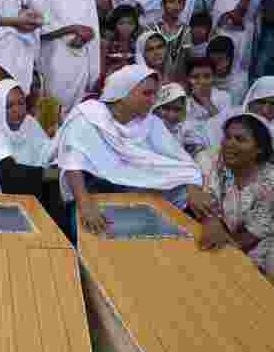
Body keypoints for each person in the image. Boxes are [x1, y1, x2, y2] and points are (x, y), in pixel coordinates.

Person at [54, 64, 206, 238]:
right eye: (146, 93)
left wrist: (193, 189)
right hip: (90, 196)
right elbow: (73, 163)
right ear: (123, 92)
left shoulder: (151, 123)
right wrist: (85, 205)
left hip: (136, 199)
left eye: (154, 94)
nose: (153, 100)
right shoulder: (89, 116)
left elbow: (181, 163)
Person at [198, 112, 274, 270]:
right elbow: (203, 201)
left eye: (240, 139)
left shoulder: (273, 185)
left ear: (259, 149)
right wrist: (212, 221)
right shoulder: (213, 160)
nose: (229, 144)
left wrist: (222, 253)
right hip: (213, 234)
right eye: (227, 137)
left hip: (252, 253)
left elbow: (252, 237)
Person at [207, 76, 274, 197]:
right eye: (261, 102)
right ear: (251, 99)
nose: (265, 109)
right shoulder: (231, 114)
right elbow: (205, 137)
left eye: (273, 104)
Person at [39, 0, 102, 116]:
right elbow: (42, 30)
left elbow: (92, 30)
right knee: (53, 116)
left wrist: (85, 35)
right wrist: (72, 29)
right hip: (57, 64)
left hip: (81, 66)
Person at [0, 77, 54, 196]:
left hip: (35, 196)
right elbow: (10, 177)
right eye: (9, 106)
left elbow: (48, 153)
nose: (17, 110)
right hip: (3, 202)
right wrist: (51, 174)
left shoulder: (30, 123)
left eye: (21, 103)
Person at [143, 0, 191, 78]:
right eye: (171, 1)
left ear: (184, 6)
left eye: (180, 2)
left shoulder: (185, 30)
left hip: (176, 81)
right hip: (152, 78)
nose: (176, 6)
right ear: (162, 4)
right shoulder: (150, 28)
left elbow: (185, 60)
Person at [153, 81, 208, 156]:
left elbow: (197, 148)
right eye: (166, 108)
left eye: (177, 110)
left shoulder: (185, 129)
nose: (171, 115)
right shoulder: (144, 128)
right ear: (156, 106)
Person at [186, 57, 231, 121]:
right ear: (188, 79)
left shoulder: (224, 97)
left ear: (214, 77)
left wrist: (206, 101)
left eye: (207, 76)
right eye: (195, 77)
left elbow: (224, 126)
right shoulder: (184, 102)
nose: (202, 82)